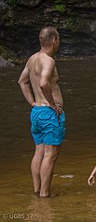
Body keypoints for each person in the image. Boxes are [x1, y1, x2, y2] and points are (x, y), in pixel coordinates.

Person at [18, 26, 65, 198]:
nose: (59, 43)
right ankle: (45, 194)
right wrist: (52, 104)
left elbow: (22, 81)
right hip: (49, 114)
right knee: (50, 155)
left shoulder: (32, 59)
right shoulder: (48, 60)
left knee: (39, 152)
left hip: (37, 112)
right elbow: (45, 82)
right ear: (53, 40)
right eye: (58, 39)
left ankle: (37, 190)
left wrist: (32, 102)